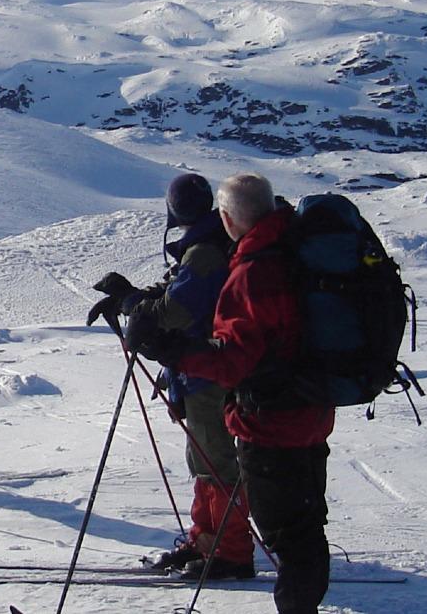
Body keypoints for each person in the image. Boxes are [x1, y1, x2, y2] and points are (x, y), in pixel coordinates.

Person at [138, 173, 335, 613]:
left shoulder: (253, 269)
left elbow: (231, 358)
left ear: (227, 217)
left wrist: (171, 347)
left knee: (286, 530)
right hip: (310, 408)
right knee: (301, 526)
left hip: (271, 417)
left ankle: (229, 553)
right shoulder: (290, 249)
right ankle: (211, 543)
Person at [95, 174, 254, 580]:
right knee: (203, 460)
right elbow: (174, 293)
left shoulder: (204, 251)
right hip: (198, 368)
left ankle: (231, 552)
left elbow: (177, 310)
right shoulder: (212, 241)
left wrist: (135, 305)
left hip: (208, 370)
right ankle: (206, 540)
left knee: (215, 461)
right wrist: (132, 298)